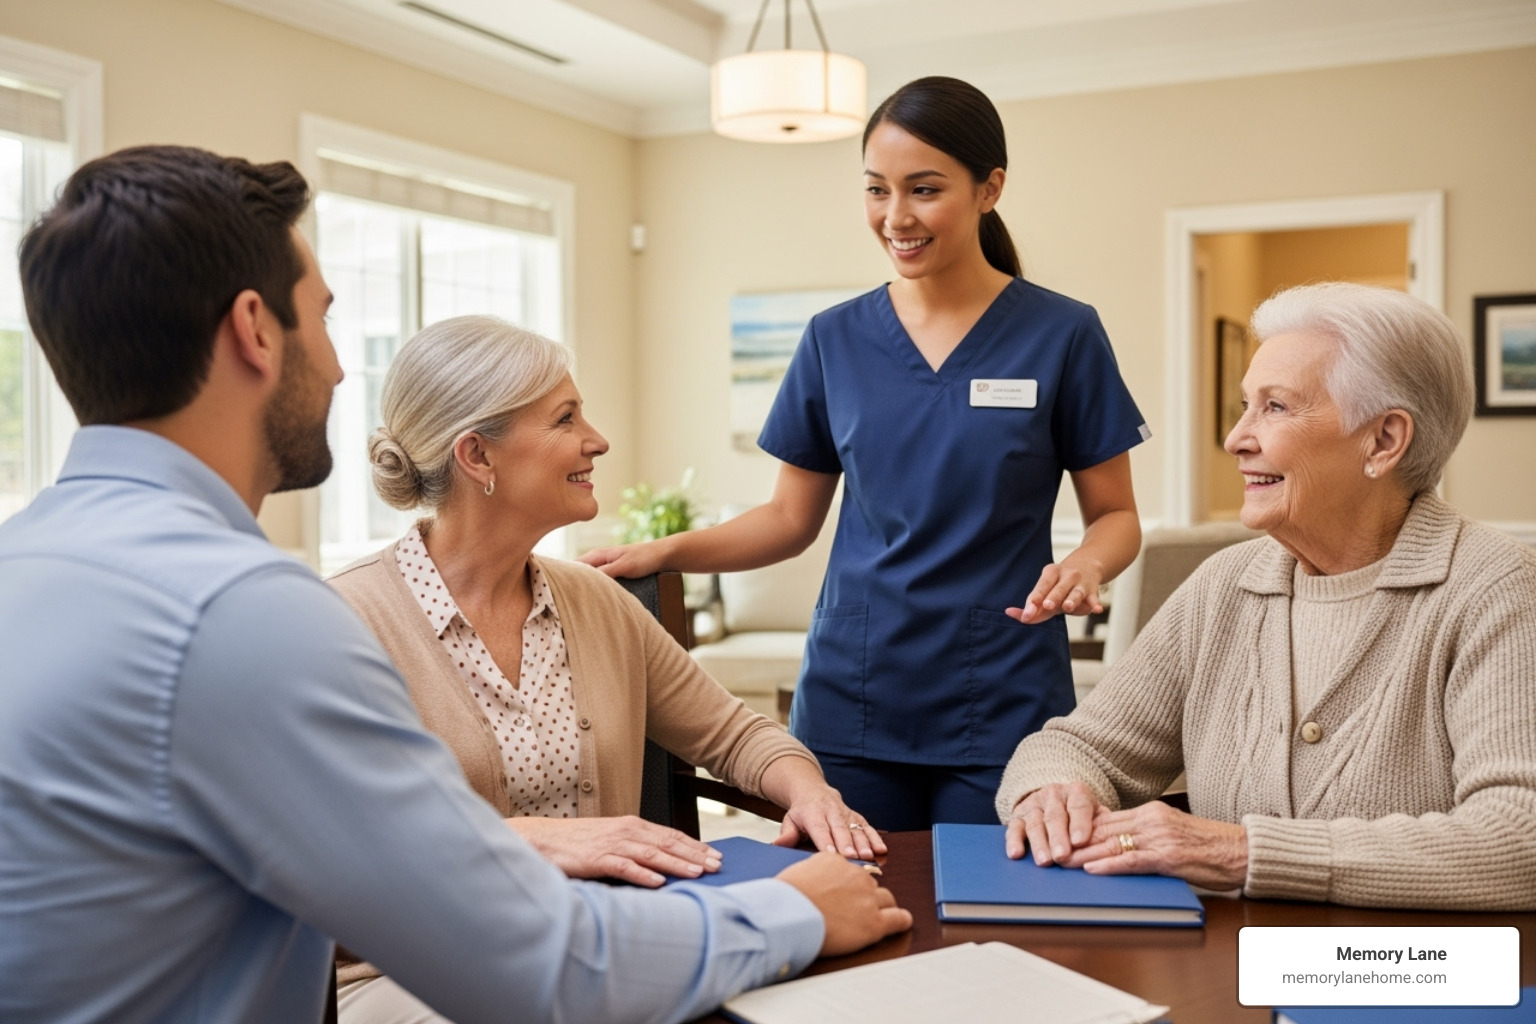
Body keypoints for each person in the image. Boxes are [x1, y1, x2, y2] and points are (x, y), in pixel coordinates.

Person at [0, 145, 910, 1024]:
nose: (340, 366)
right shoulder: (248, 617)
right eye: (322, 316)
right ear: (254, 330)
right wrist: (795, 912)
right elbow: (534, 966)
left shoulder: (26, 565)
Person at [582, 76, 1147, 830]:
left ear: (990, 189)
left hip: (1003, 696)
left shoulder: (1063, 334)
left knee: (991, 896)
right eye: (877, 189)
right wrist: (665, 551)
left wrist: (1087, 564)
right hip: (853, 699)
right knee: (844, 894)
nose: (895, 216)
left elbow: (1116, 516)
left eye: (924, 189)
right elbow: (788, 519)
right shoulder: (834, 339)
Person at [328, 314, 887, 1022]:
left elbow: (737, 735)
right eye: (566, 418)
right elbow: (340, 850)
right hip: (414, 972)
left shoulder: (595, 602)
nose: (597, 440)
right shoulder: (342, 625)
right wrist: (536, 840)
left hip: (608, 947)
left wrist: (811, 794)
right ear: (477, 455)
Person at [997, 282, 1536, 910]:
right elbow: (1078, 745)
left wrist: (1238, 852)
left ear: (1384, 441)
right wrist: (1052, 792)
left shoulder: (1496, 589)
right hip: (1235, 959)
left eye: (1275, 407)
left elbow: (1520, 838)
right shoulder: (1225, 585)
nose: (1236, 438)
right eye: (1245, 405)